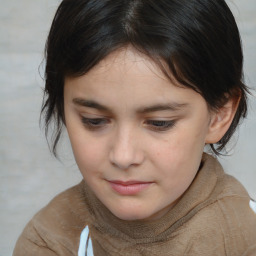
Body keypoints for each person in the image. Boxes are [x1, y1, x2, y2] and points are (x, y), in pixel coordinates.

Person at [13, 0, 256, 255]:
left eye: (159, 123)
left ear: (219, 114)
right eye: (93, 120)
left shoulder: (245, 237)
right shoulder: (49, 241)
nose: (123, 156)